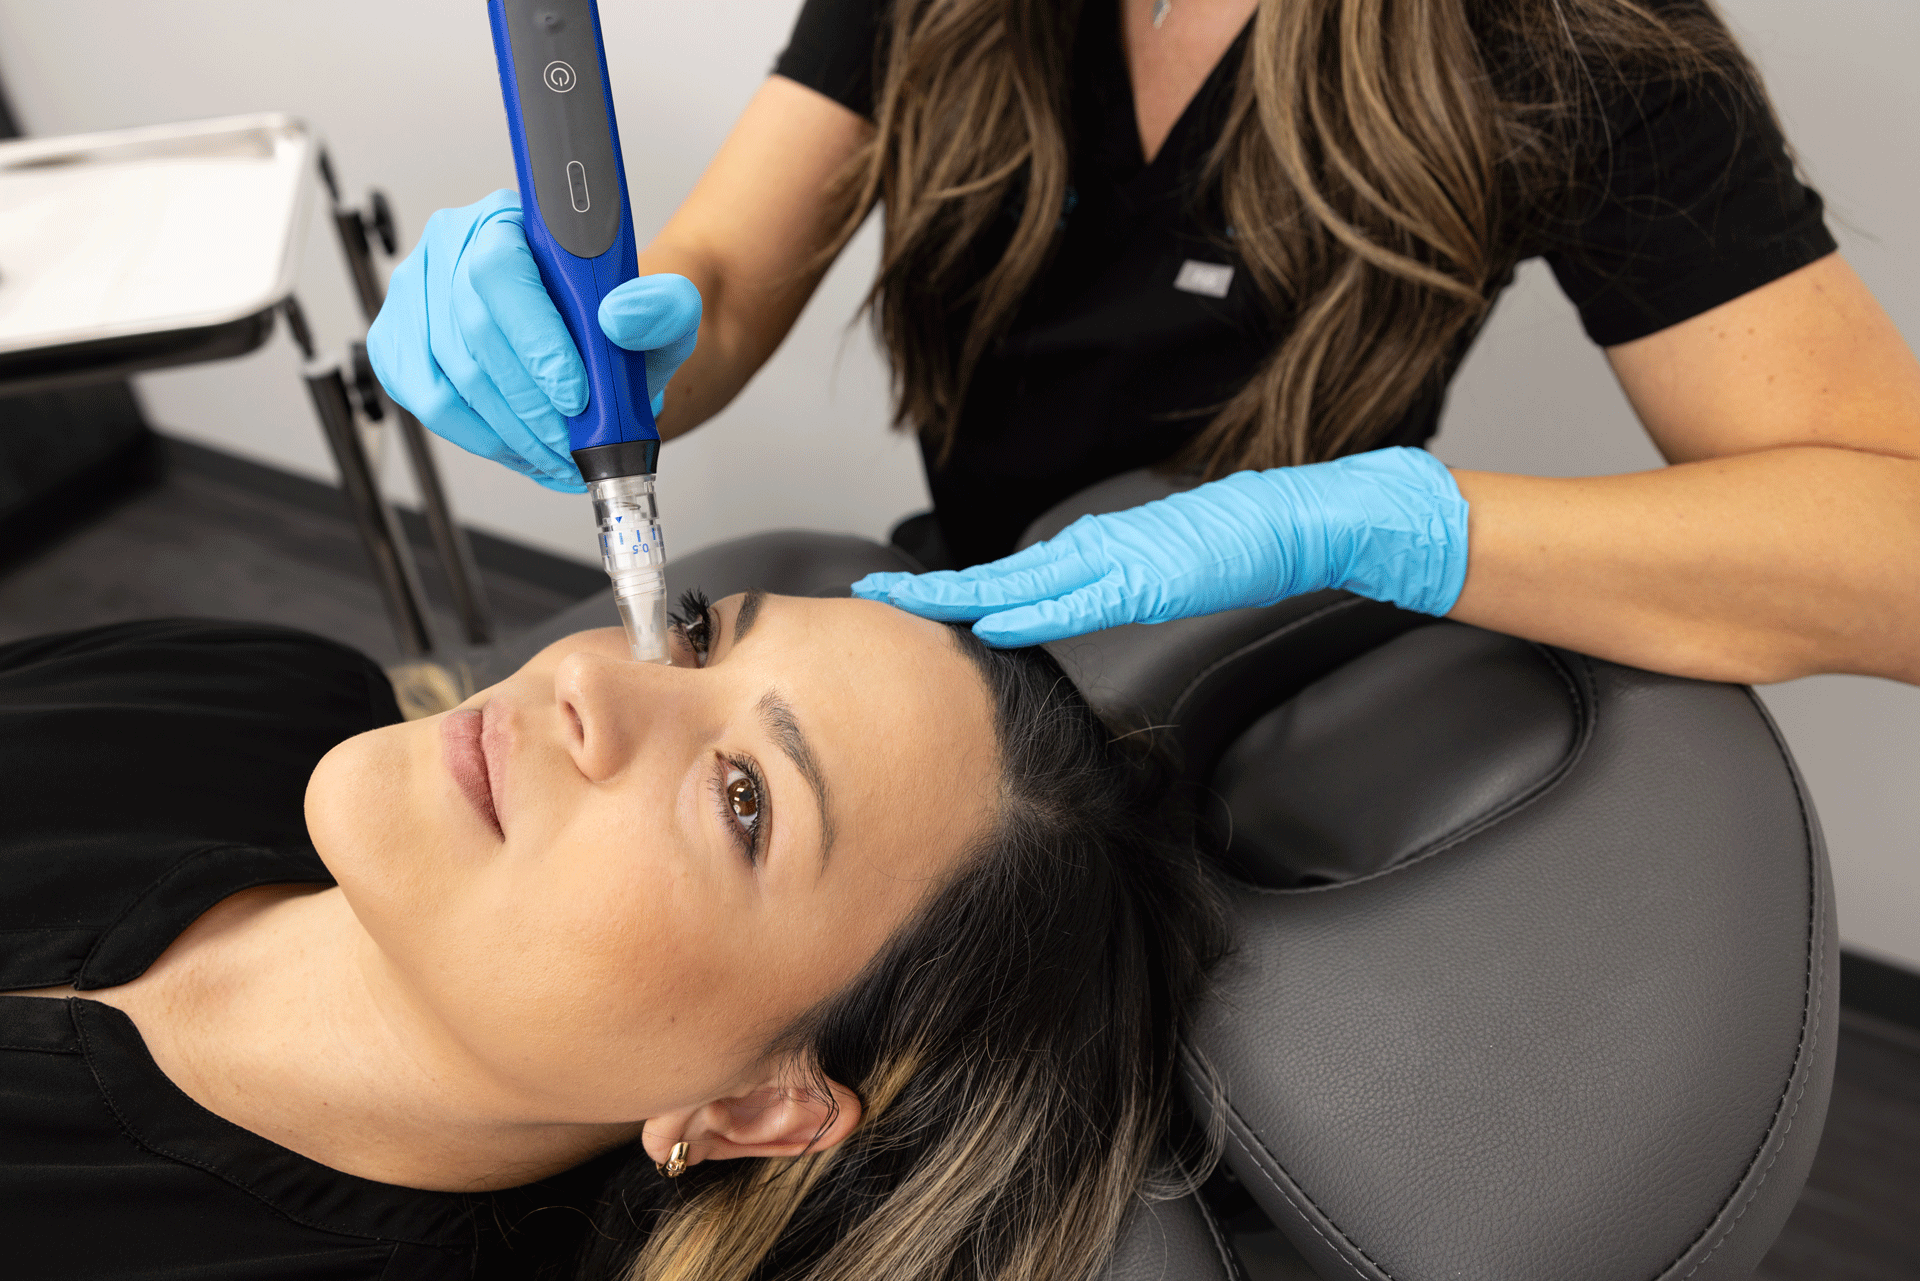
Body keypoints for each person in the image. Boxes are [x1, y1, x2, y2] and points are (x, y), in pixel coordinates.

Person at [371, 0, 1920, 686]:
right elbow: (709, 281)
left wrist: (1382, 523)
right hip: (971, 619)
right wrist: (599, 340)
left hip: (1273, 683)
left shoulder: (1562, 32)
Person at [0, 600, 1227, 1280]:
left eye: (744, 796)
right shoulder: (241, 681)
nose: (595, 681)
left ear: (755, 1107)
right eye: (694, 636)